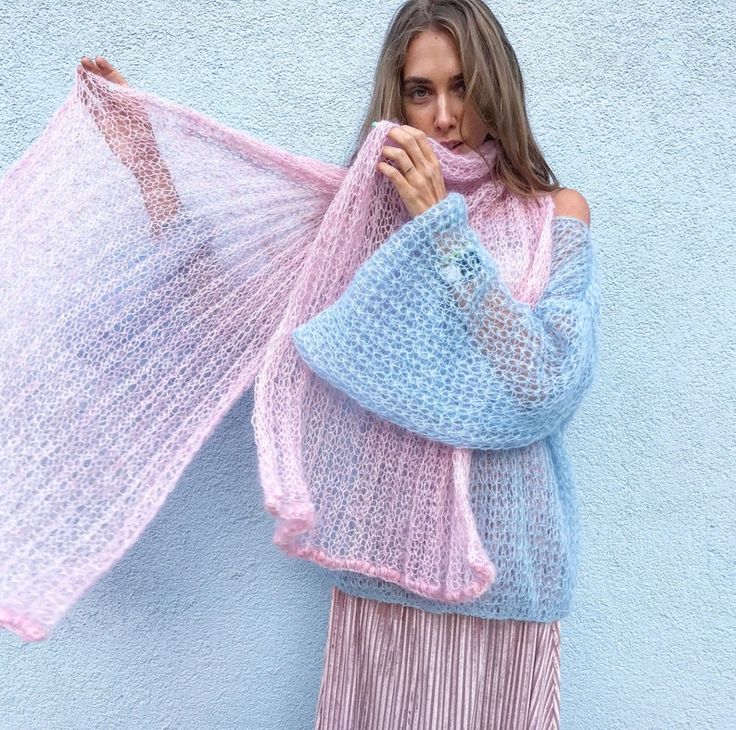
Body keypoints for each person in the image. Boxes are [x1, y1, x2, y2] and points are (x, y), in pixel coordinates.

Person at [65, 2, 592, 728]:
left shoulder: (554, 214)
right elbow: (234, 313)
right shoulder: (360, 219)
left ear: (496, 86)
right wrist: (152, 170)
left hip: (512, 584)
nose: (443, 115)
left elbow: (545, 382)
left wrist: (444, 229)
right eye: (420, 90)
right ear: (396, 97)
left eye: (462, 86)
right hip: (389, 576)